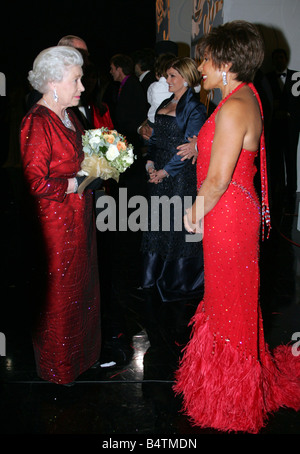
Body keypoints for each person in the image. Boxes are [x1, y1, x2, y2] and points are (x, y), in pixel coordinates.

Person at [174, 20, 300, 434]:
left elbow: (216, 180)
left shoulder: (232, 106)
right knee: (229, 301)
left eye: (206, 58)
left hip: (227, 216)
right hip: (233, 213)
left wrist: (190, 214)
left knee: (228, 304)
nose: (200, 66)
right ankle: (226, 384)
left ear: (225, 62)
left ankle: (231, 398)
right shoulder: (242, 97)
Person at [20, 46, 101, 385]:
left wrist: (103, 163)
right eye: (76, 80)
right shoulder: (36, 122)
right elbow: (35, 182)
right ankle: (59, 368)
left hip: (78, 218)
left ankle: (82, 357)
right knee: (59, 295)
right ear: (53, 82)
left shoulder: (69, 115)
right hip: (55, 224)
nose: (81, 87)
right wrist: (79, 181)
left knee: (81, 290)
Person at [141, 57, 206, 348]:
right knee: (158, 224)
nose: (168, 80)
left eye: (172, 75)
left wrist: (166, 171)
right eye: (167, 75)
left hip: (179, 177)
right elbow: (154, 138)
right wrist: (151, 164)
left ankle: (176, 280)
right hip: (160, 173)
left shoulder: (195, 107)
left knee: (176, 227)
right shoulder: (166, 100)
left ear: (187, 78)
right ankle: (153, 274)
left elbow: (189, 151)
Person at [266, 48, 300, 211]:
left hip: (292, 126)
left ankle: (292, 190)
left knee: (291, 158)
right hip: (274, 127)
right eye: (276, 57)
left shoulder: (296, 76)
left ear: (286, 59)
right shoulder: (268, 78)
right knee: (275, 159)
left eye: (281, 57)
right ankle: (276, 191)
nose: (279, 60)